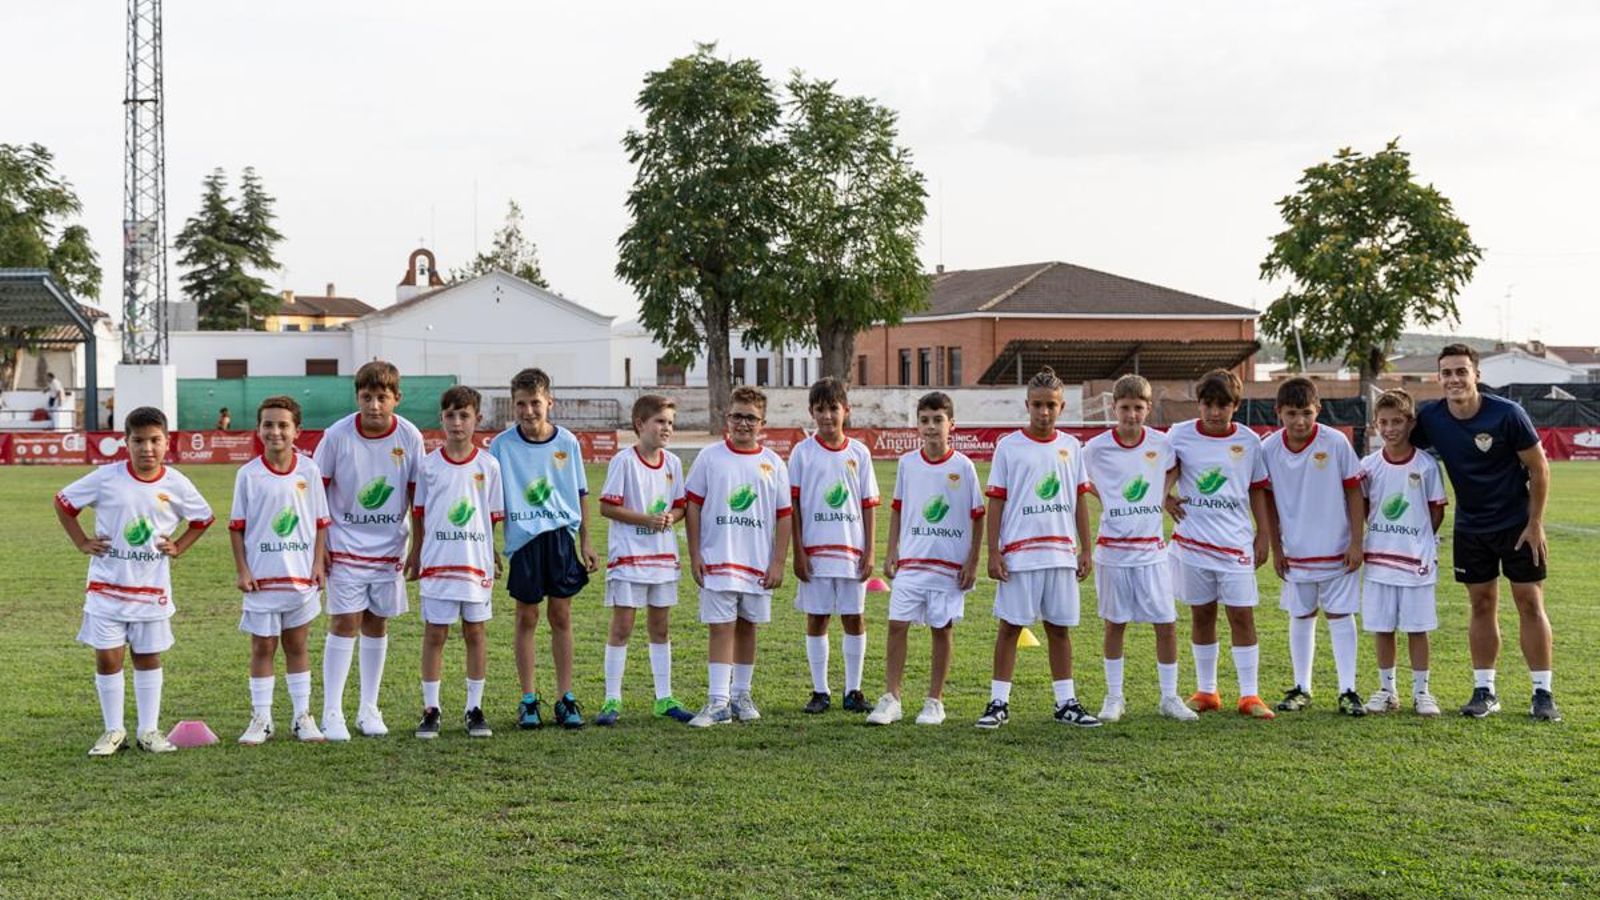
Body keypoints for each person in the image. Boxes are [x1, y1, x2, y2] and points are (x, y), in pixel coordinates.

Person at [54, 406, 214, 755]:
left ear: (166, 442)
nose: (147, 448)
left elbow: (203, 518)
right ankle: (113, 731)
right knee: (108, 658)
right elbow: (63, 502)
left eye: (155, 440)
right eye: (138, 441)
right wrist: (82, 541)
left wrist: (179, 546)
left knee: (147, 657)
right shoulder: (106, 477)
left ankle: (148, 731)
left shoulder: (176, 483)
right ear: (125, 442)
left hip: (151, 590)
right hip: (106, 587)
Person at [1411, 344, 1559, 721]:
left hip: (1517, 525)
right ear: (1438, 378)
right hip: (1470, 527)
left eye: (1461, 371)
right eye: (1446, 373)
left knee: (1529, 602)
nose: (1454, 379)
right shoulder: (1431, 417)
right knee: (1481, 604)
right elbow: (1401, 448)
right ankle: (1485, 690)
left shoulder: (1507, 414)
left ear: (1476, 374)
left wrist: (1535, 523)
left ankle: (1543, 693)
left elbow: (1540, 469)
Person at [978, 366, 1099, 729]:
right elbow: (996, 502)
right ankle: (998, 702)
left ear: (1062, 408)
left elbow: (1079, 500)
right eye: (1037, 405)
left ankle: (1066, 703)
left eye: (1051, 405)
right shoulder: (1009, 446)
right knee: (1011, 627)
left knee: (1059, 629)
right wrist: (994, 551)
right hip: (1020, 554)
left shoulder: (1071, 447)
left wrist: (1086, 549)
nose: (1044, 412)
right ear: (1026, 405)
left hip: (1060, 553)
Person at [313, 360, 425, 740]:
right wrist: (321, 546)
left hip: (390, 547)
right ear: (357, 397)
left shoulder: (409, 437)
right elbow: (317, 493)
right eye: (367, 397)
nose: (374, 405)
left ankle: (368, 708)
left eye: (382, 397)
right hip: (344, 545)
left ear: (397, 398)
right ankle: (332, 712)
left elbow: (416, 497)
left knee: (377, 621)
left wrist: (417, 548)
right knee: (345, 622)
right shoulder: (337, 435)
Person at [1082, 375, 1198, 723]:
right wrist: (1108, 499)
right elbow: (1079, 480)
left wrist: (1162, 497)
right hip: (1112, 551)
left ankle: (1169, 696)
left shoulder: (1161, 445)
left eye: (1138, 408)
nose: (1131, 415)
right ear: (1113, 408)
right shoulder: (1095, 448)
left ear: (1148, 409)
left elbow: (1173, 469)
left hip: (1151, 551)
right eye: (1125, 408)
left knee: (1165, 622)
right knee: (1115, 624)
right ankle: (1114, 697)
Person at [489, 367, 599, 730]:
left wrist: (585, 540)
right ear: (513, 405)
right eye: (521, 404)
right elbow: (491, 499)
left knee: (561, 617)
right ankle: (528, 699)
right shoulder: (501, 446)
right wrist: (490, 545)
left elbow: (581, 493)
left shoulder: (566, 442)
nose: (528, 411)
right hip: (523, 541)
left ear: (549, 402)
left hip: (560, 539)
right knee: (526, 617)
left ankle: (565, 697)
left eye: (535, 403)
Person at [866, 391, 982, 726]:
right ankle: (892, 698)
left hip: (948, 566)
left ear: (952, 425)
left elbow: (977, 515)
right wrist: (891, 552)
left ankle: (935, 701)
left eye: (938, 420)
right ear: (918, 425)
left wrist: (972, 562)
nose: (931, 427)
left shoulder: (964, 467)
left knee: (941, 629)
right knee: (896, 625)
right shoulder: (907, 463)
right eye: (925, 420)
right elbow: (899, 509)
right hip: (912, 563)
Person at [1166, 368, 1275, 719]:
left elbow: (1257, 489)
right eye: (1208, 404)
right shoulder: (1179, 435)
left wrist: (1263, 534)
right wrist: (1164, 497)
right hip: (1193, 542)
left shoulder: (1249, 442)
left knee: (1242, 615)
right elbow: (1162, 473)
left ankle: (1249, 695)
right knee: (1202, 615)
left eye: (1222, 405)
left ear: (1236, 405)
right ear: (1198, 404)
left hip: (1236, 544)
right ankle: (1207, 690)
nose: (1215, 412)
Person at [684, 385, 792, 727]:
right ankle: (717, 701)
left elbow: (785, 515)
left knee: (748, 627)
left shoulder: (773, 463)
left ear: (763, 422)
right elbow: (693, 507)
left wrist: (778, 561)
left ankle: (740, 695)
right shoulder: (709, 457)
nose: (743, 423)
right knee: (721, 628)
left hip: (757, 562)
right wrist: (695, 554)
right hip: (717, 558)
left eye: (751, 418)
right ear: (726, 418)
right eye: (737, 416)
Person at [1260, 377, 1366, 717]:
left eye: (1306, 413)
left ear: (1317, 410)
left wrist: (1356, 542)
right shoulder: (1269, 449)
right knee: (1301, 615)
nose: (1300, 421)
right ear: (1278, 413)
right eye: (1292, 413)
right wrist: (1277, 548)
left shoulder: (1335, 442)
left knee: (1339, 615)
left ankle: (1348, 689)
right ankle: (1301, 687)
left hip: (1337, 549)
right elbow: (1269, 501)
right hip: (1295, 551)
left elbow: (1353, 491)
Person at [231, 395, 329, 745]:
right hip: (261, 578)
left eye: (283, 425)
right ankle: (262, 718)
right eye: (268, 425)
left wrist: (318, 563)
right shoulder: (249, 474)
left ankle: (303, 717)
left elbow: (320, 523)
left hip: (300, 577)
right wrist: (243, 570)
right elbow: (237, 527)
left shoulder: (309, 470)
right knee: (262, 647)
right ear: (258, 430)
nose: (275, 431)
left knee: (297, 644)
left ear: (297, 431)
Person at [407, 386, 503, 739]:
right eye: (450, 415)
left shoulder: (489, 465)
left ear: (477, 418)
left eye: (465, 415)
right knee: (435, 634)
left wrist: (492, 553)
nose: (457, 423)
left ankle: (474, 708)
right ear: (441, 419)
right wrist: (416, 553)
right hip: (437, 562)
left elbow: (492, 516)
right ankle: (430, 709)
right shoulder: (428, 466)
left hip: (474, 563)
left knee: (475, 632)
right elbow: (418, 513)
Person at [595, 394, 693, 725]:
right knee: (622, 627)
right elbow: (607, 506)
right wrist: (645, 519)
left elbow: (681, 505)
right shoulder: (624, 461)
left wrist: (671, 517)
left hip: (663, 559)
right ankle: (611, 700)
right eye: (660, 421)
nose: (666, 428)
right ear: (641, 424)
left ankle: (664, 698)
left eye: (670, 423)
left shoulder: (673, 464)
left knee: (660, 627)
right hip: (629, 557)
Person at [789, 377, 879, 715]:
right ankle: (820, 690)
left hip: (850, 552)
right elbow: (793, 506)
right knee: (817, 618)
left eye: (833, 409)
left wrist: (869, 551)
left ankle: (853, 690)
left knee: (854, 618)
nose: (827, 416)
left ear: (846, 411)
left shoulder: (859, 452)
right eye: (820, 409)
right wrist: (798, 551)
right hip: (815, 552)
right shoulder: (803, 452)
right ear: (812, 412)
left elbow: (868, 504)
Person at [1358, 389, 1447, 716]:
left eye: (1397, 421)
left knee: (1417, 627)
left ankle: (1422, 691)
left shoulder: (1426, 465)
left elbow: (1436, 511)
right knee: (1382, 626)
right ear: (1375, 425)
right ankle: (1386, 689)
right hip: (1379, 559)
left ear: (1410, 423)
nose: (1390, 428)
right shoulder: (1368, 466)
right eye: (1384, 422)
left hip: (1416, 562)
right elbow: (1363, 508)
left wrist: (1417, 539)